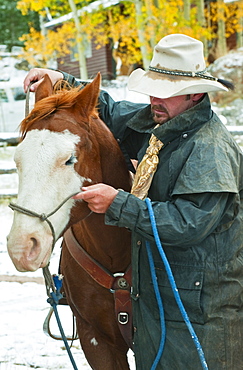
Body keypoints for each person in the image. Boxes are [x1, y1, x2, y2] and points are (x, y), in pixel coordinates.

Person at [24, 34, 243, 370]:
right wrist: (60, 79)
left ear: (195, 94)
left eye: (166, 93)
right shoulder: (163, 120)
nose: (155, 98)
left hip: (202, 309)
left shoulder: (209, 148)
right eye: (154, 87)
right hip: (169, 296)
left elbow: (189, 222)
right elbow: (107, 111)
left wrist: (117, 204)